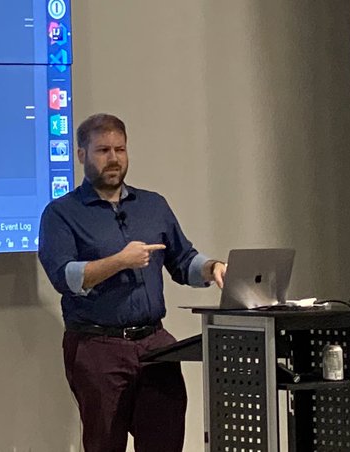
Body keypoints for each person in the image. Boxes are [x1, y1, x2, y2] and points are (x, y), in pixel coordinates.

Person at [38, 112, 226, 452]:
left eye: (120, 150)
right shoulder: (61, 213)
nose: (113, 159)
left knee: (165, 440)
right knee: (105, 443)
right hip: (98, 346)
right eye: (103, 150)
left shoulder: (153, 205)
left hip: (155, 344)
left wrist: (212, 268)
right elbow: (64, 277)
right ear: (81, 155)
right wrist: (120, 261)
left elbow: (183, 260)